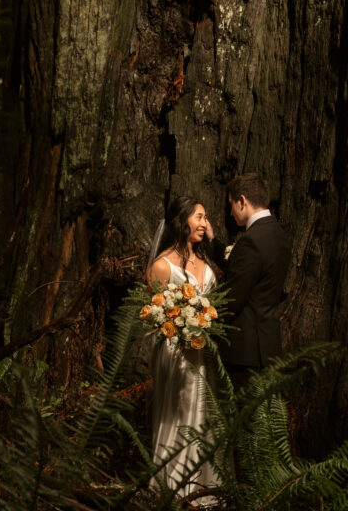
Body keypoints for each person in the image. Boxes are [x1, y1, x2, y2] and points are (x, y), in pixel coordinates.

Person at [146, 195, 220, 501]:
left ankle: (202, 491)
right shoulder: (162, 266)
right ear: (181, 221)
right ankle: (174, 491)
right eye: (199, 217)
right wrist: (180, 326)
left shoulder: (206, 261)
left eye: (206, 217)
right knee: (178, 416)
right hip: (176, 353)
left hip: (204, 351)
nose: (204, 224)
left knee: (204, 417)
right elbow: (153, 313)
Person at [220, 173, 291, 391]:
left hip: (245, 350)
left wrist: (203, 319)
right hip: (268, 344)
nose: (230, 213)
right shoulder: (279, 234)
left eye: (231, 205)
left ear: (242, 201)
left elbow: (233, 298)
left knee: (243, 419)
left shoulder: (250, 241)